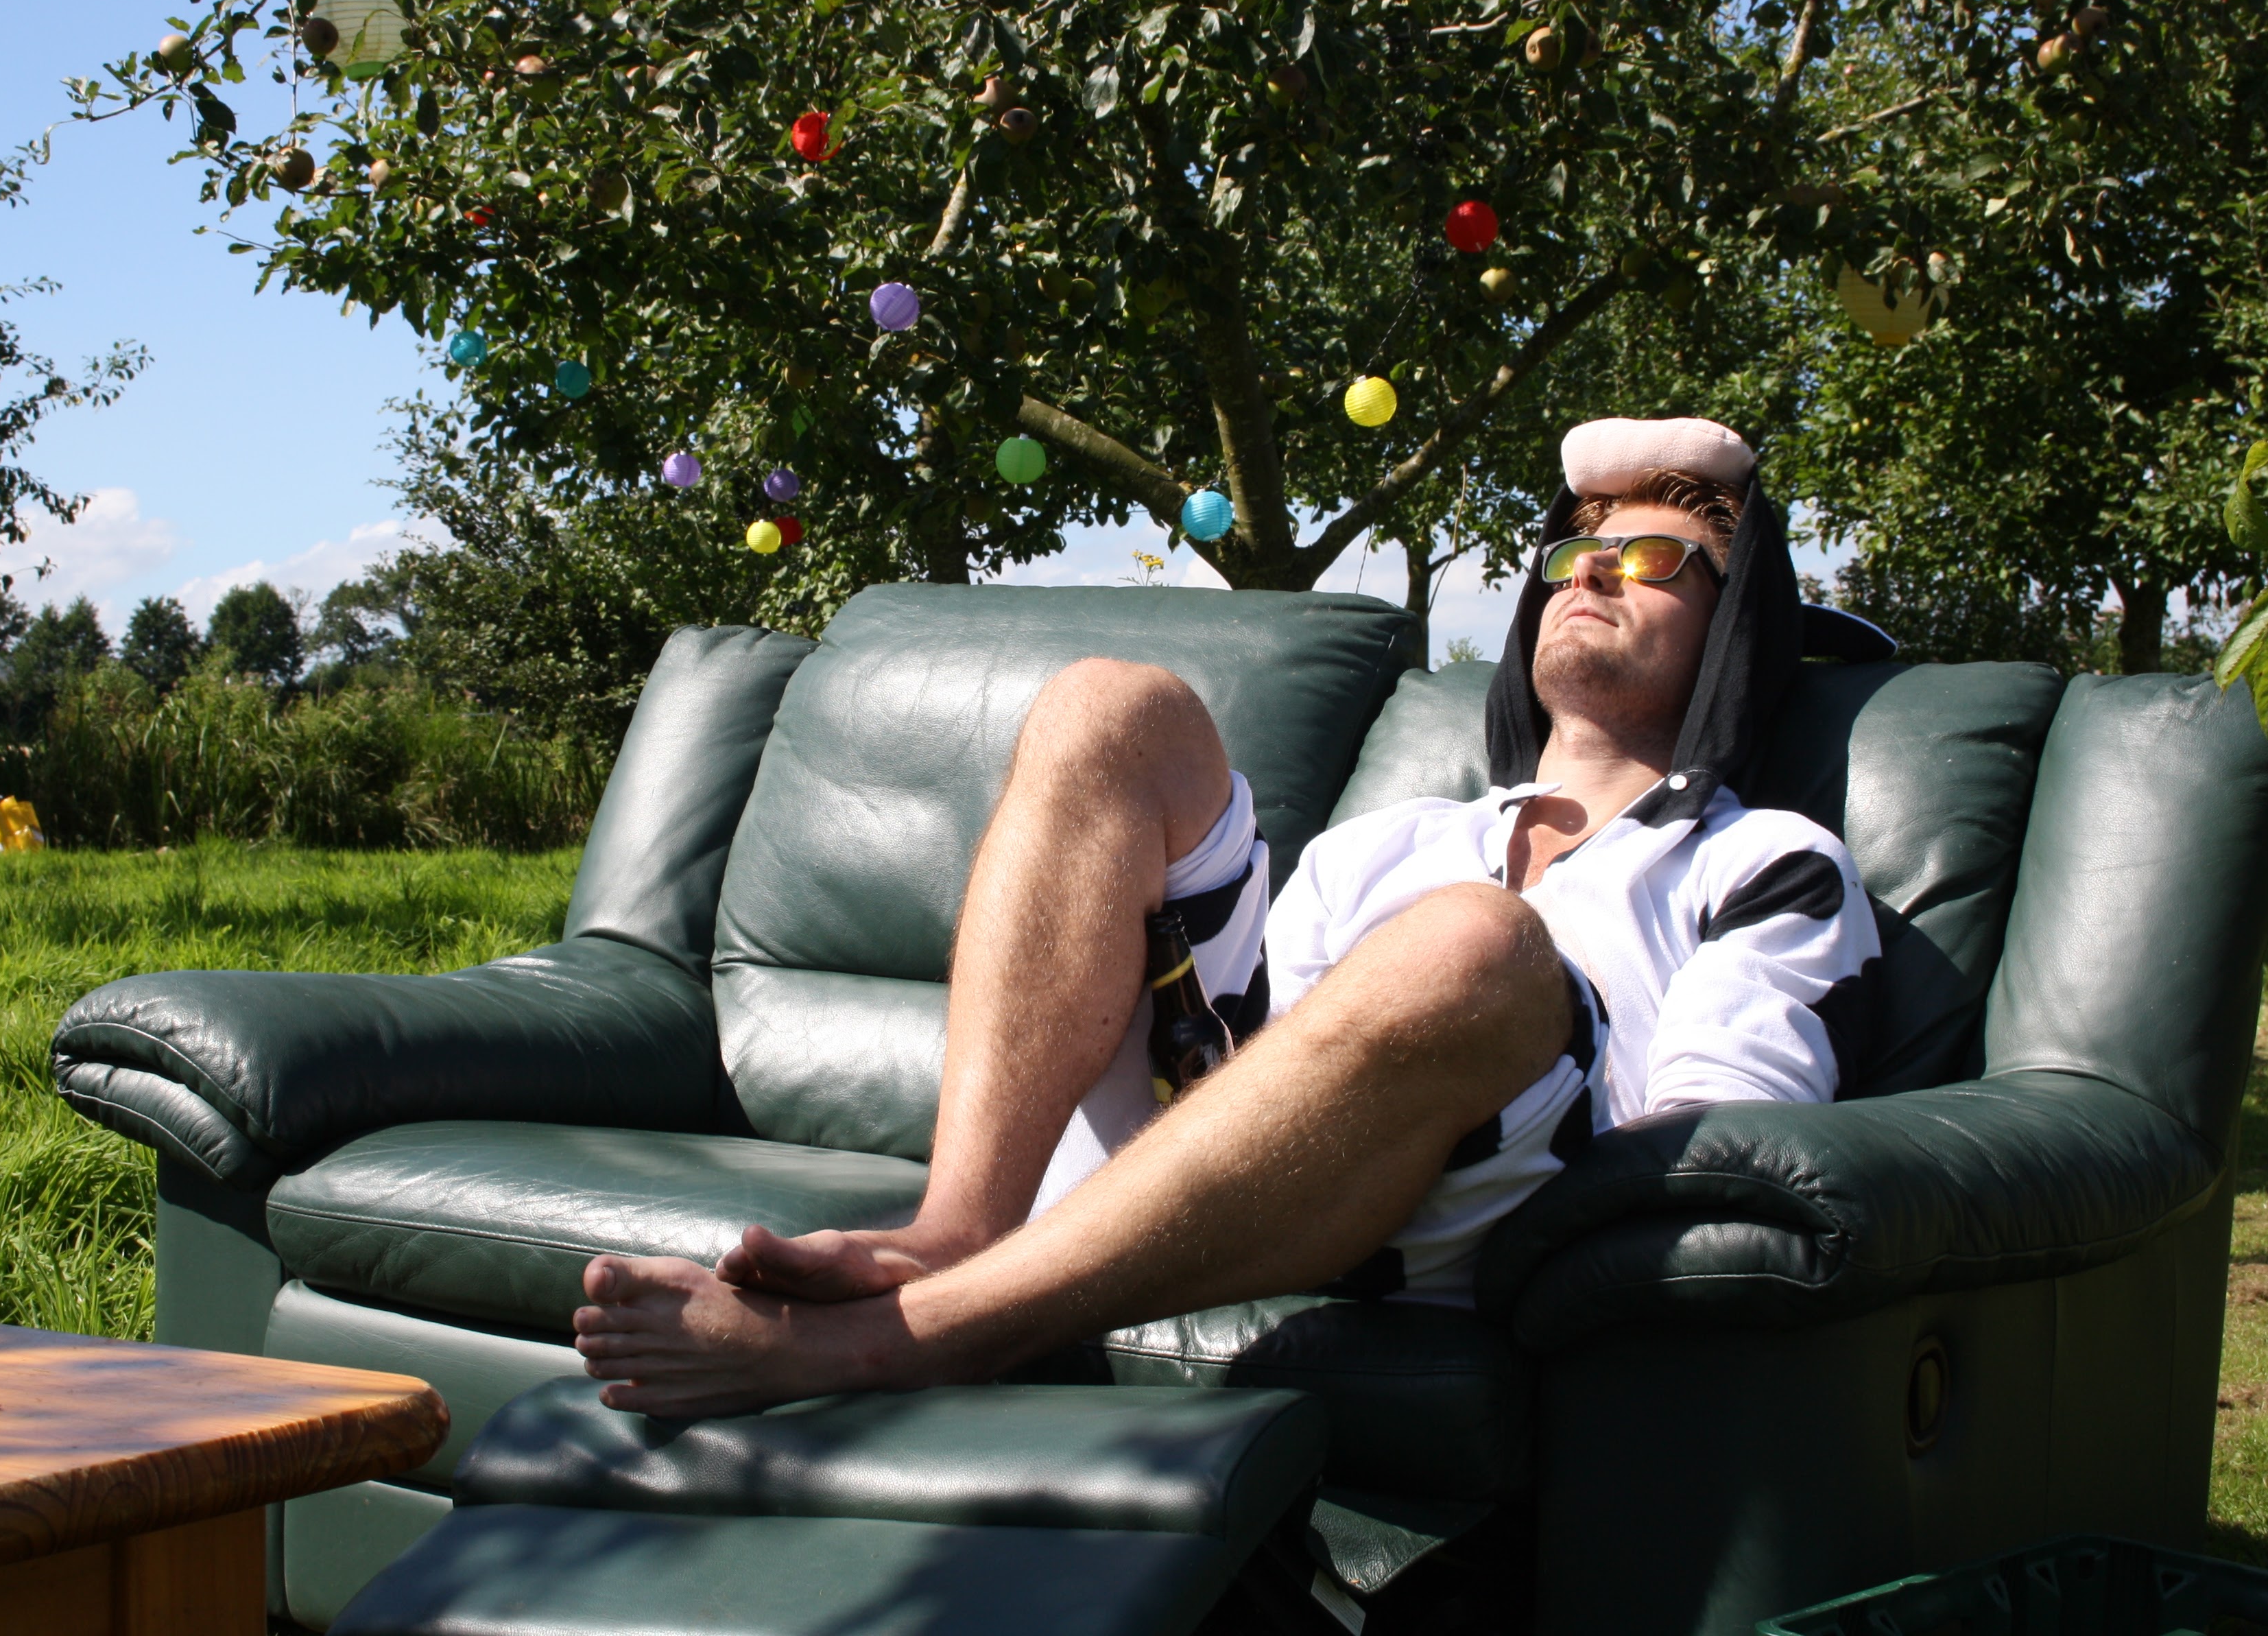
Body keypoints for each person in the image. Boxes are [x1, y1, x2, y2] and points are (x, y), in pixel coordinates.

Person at [573, 416, 1884, 1417]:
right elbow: (1279, 1056)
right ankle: (956, 1234)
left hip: (1489, 1207)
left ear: (1735, 627)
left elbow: (1715, 1151)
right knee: (1111, 709)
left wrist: (1485, 1001)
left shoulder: (1769, 862)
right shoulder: (1396, 842)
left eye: (1654, 559)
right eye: (1574, 554)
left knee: (1474, 939)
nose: (1594, 573)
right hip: (1261, 1156)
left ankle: (897, 1344)